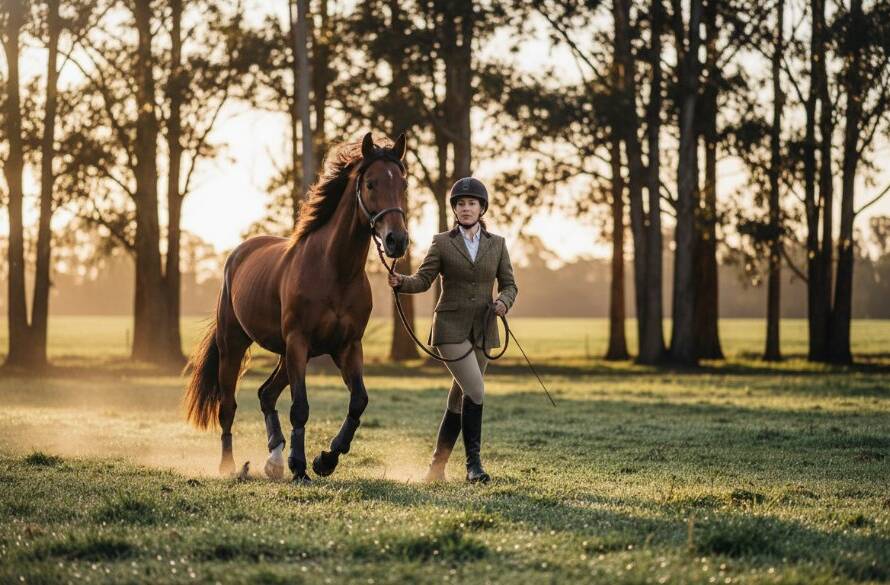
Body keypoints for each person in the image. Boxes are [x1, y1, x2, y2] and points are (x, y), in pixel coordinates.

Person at [388, 177, 518, 483]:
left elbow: (510, 284)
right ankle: (474, 466)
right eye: (461, 204)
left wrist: (504, 301)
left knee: (459, 399)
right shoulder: (442, 243)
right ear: (455, 210)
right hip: (450, 329)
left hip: (484, 329)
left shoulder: (497, 244)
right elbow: (423, 279)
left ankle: (436, 469)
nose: (466, 208)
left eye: (472, 203)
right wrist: (401, 282)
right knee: (476, 390)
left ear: (482, 208)